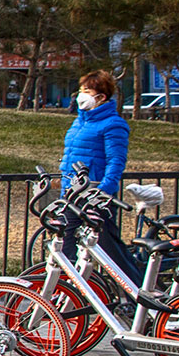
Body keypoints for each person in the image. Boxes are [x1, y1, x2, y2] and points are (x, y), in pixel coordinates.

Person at [60, 68, 139, 280]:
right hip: (73, 192)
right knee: (65, 244)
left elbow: (116, 161)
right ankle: (64, 291)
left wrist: (104, 191)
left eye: (86, 90)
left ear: (101, 96)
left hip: (94, 193)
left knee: (109, 248)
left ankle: (139, 292)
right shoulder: (79, 121)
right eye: (80, 90)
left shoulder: (113, 124)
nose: (80, 95)